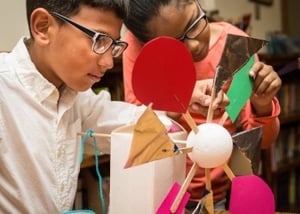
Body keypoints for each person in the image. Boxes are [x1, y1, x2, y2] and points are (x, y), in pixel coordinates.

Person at [122, 0, 282, 212]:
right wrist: (175, 107)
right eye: (174, 44)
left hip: (214, 196)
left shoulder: (236, 46)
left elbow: (261, 141)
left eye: (194, 24)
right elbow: (135, 132)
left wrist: (262, 106)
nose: (194, 45)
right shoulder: (138, 48)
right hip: (158, 195)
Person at [0, 0, 149, 212]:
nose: (108, 62)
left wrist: (181, 103)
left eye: (113, 45)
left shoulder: (76, 96)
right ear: (43, 27)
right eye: (98, 40)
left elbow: (127, 122)